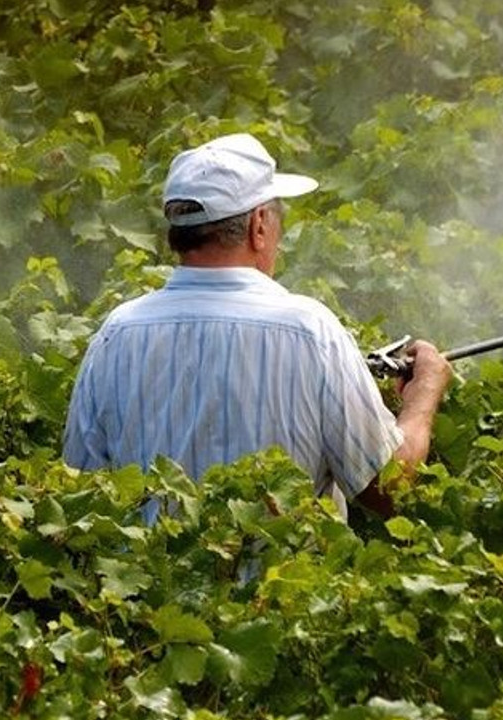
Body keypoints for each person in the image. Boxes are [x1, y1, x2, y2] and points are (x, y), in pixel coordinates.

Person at [63, 133, 452, 522]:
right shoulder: (311, 332)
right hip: (284, 583)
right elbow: (389, 491)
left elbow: (80, 494)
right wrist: (423, 395)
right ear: (259, 225)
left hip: (152, 583)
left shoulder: (116, 335)